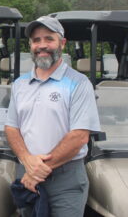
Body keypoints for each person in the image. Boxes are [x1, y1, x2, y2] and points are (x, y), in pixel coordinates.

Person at [5, 16, 100, 217]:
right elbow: (12, 128)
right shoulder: (20, 84)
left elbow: (79, 136)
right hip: (28, 175)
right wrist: (26, 160)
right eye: (36, 40)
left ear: (62, 43)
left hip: (66, 180)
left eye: (49, 39)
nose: (42, 45)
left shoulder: (79, 83)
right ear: (30, 45)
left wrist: (38, 171)